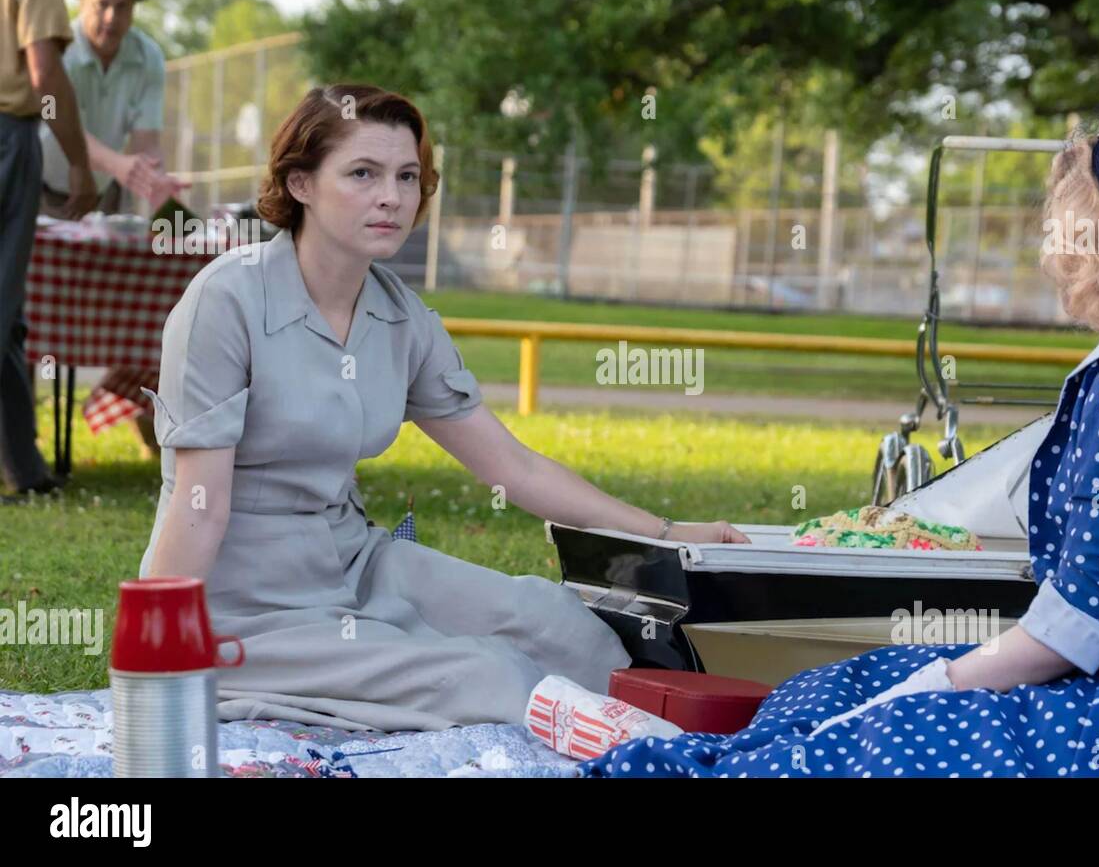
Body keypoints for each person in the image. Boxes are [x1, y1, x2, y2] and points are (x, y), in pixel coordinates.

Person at [582, 100, 1099, 778]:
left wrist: (940, 682)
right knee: (845, 685)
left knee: (877, 736)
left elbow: (1074, 628)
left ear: (1093, 227)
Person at [136, 84, 752, 733]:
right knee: (488, 677)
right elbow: (199, 507)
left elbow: (514, 466)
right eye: (362, 174)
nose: (392, 197)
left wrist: (664, 532)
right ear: (300, 184)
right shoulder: (226, 301)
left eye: (407, 177)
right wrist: (156, 645)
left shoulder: (401, 315)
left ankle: (692, 742)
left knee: (563, 627)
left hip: (355, 560)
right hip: (242, 598)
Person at [38, 0, 189, 458]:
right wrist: (122, 166)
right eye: (101, 4)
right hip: (38, 186)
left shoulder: (147, 56)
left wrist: (161, 192)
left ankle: (144, 417)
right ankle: (23, 434)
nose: (111, 16)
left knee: (140, 304)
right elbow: (59, 124)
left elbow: (146, 145)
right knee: (33, 312)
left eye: (122, 6)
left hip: (104, 193)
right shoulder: (53, 50)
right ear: (81, 4)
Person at [0, 0, 95, 502]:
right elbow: (44, 75)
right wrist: (78, 163)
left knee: (8, 315)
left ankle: (23, 467)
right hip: (8, 138)